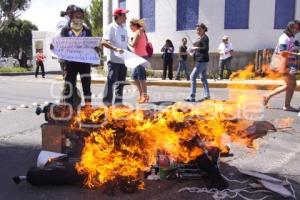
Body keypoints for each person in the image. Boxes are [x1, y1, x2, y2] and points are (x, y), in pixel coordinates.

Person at [263, 20, 300, 111]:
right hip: (282, 63)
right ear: (289, 27)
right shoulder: (284, 38)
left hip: (288, 63)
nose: (296, 29)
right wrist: (297, 55)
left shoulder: (291, 38)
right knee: (291, 84)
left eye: (297, 28)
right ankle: (286, 105)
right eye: (294, 27)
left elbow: (295, 46)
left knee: (291, 84)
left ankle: (268, 96)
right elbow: (283, 52)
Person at [61, 6, 92, 108]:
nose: (79, 17)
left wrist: (96, 48)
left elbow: (91, 43)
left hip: (84, 63)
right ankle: (68, 108)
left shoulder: (87, 29)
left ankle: (88, 107)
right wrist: (54, 46)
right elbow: (61, 44)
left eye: (81, 15)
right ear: (71, 16)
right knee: (69, 86)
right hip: (70, 63)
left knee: (86, 85)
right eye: (76, 15)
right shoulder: (66, 29)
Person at [102, 8, 129, 106]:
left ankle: (118, 104)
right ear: (118, 16)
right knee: (111, 82)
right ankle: (107, 103)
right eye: (124, 15)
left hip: (123, 61)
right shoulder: (111, 27)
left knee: (120, 83)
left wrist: (131, 55)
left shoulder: (124, 29)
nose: (126, 17)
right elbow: (104, 41)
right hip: (113, 60)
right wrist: (115, 49)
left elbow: (125, 45)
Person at [184, 23, 210, 102]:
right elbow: (199, 50)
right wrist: (192, 51)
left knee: (192, 77)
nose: (198, 31)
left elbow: (206, 49)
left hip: (202, 61)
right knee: (203, 78)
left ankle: (192, 96)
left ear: (204, 29)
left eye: (199, 29)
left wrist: (196, 47)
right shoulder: (200, 38)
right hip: (202, 60)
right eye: (197, 29)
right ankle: (207, 95)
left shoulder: (205, 38)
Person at [128, 18, 150, 103]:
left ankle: (144, 96)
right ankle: (142, 94)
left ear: (134, 25)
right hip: (138, 56)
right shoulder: (142, 31)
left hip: (140, 57)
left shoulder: (138, 32)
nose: (130, 28)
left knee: (141, 77)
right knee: (134, 76)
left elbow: (133, 45)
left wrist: (128, 41)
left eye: (130, 26)